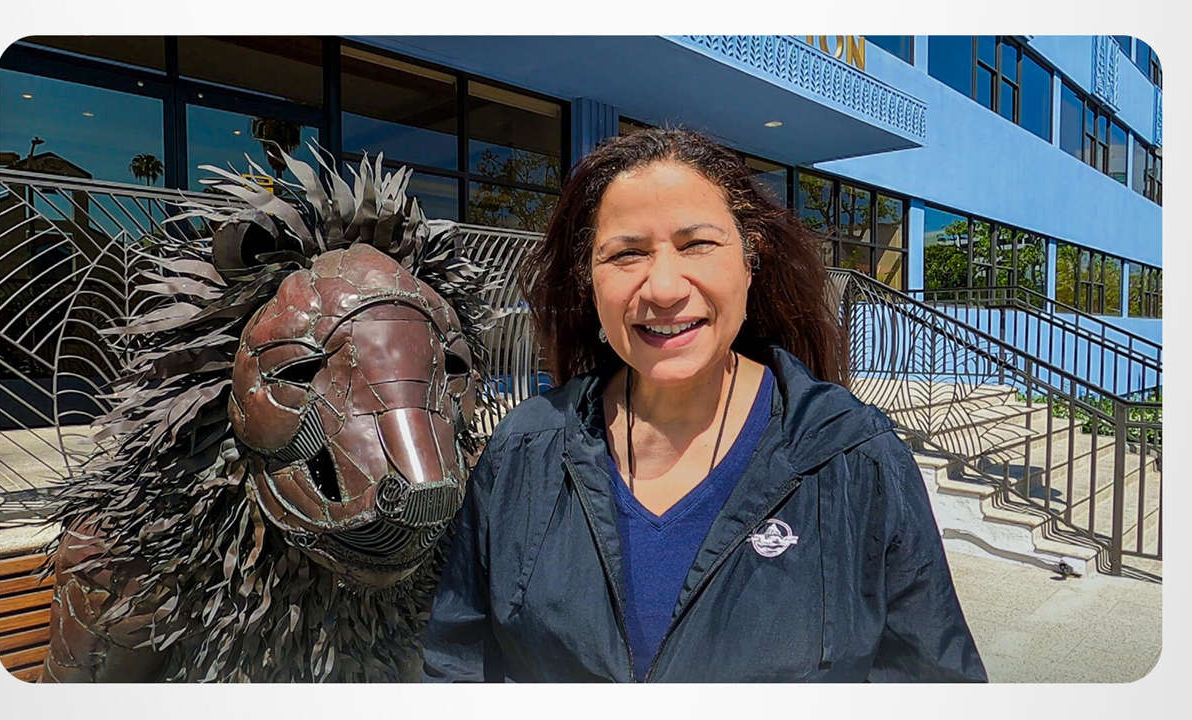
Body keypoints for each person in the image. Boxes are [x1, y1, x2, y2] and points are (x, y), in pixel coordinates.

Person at [422, 127, 987, 682]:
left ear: (750, 261)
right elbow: (458, 664)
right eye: (627, 254)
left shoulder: (852, 458)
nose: (664, 288)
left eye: (697, 245)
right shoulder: (525, 451)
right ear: (589, 282)